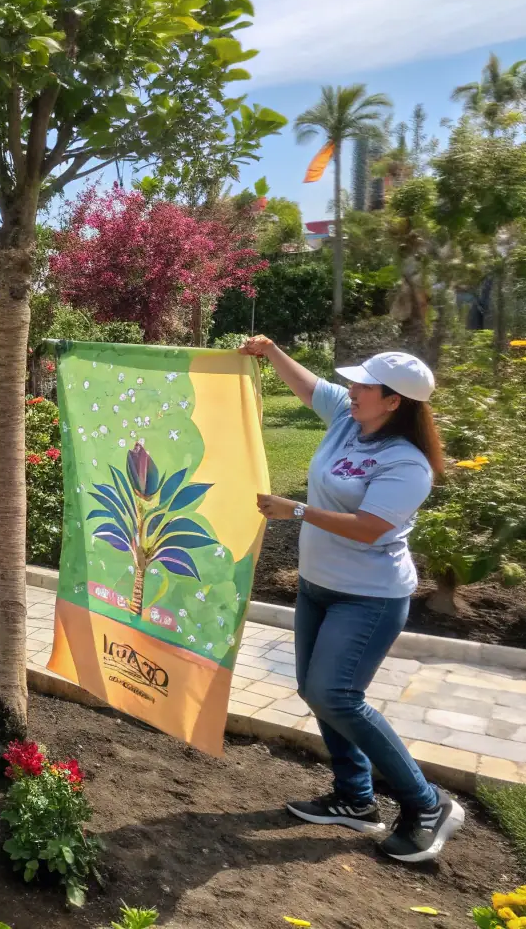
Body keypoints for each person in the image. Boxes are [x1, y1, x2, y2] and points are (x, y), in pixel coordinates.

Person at [241, 337, 464, 863]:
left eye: (366, 385)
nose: (352, 389)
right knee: (315, 690)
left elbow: (369, 528)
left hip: (369, 597)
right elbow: (307, 386)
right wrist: (271, 351)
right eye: (356, 381)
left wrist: (295, 511)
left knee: (335, 694)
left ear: (394, 402)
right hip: (318, 586)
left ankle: (427, 804)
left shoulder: (407, 464)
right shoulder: (348, 416)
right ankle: (354, 798)